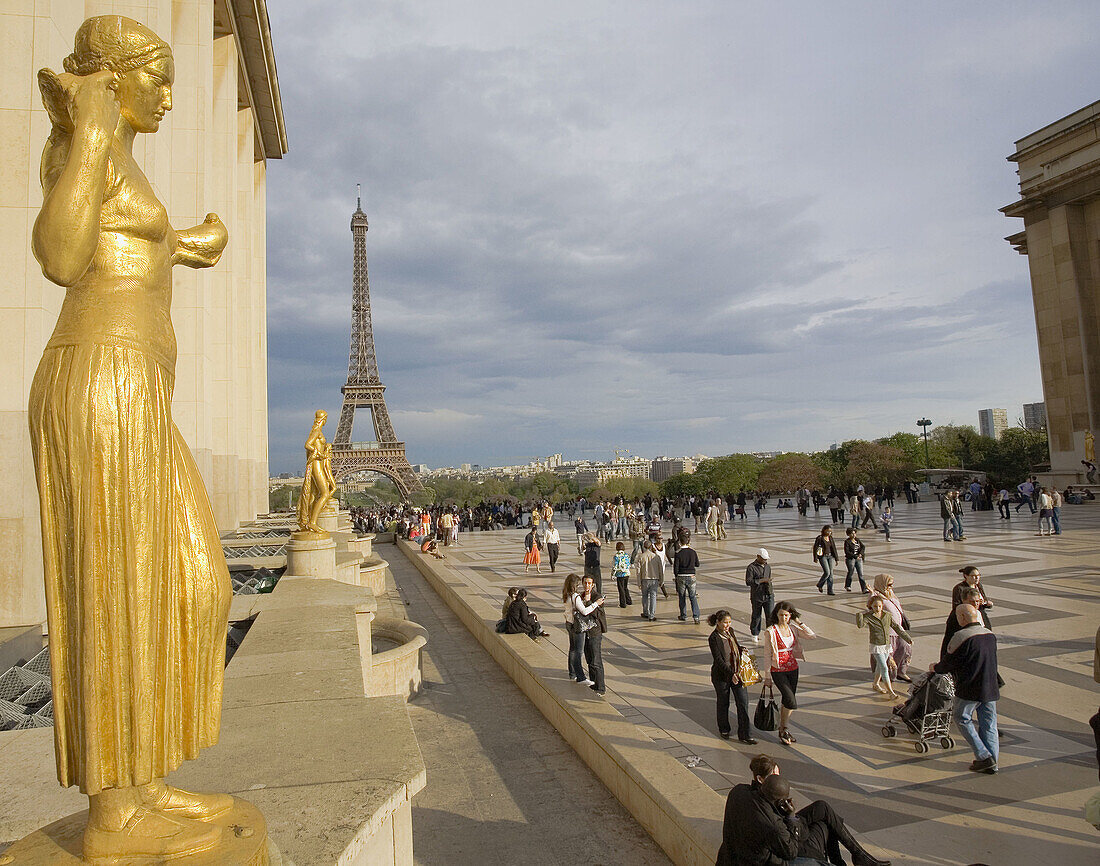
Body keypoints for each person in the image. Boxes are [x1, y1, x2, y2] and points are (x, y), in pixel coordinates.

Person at [29, 17, 237, 857]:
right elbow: (57, 249)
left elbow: (122, 244)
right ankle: (114, 814)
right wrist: (90, 123)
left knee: (193, 584)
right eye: (155, 78)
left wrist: (185, 244)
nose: (168, 96)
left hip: (137, 387)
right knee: (116, 586)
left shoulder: (119, 156)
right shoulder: (89, 142)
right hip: (101, 382)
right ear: (114, 79)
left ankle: (141, 774)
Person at [734, 756, 891, 866]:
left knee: (822, 808)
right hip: (784, 844)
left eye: (778, 773)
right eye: (774, 775)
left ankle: (858, 855)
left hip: (783, 834)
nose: (779, 778)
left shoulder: (743, 791)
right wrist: (792, 817)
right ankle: (843, 860)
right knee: (825, 826)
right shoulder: (769, 809)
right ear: (761, 779)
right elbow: (791, 846)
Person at [931, 604, 1000, 774]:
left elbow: (948, 663)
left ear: (962, 618)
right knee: (989, 723)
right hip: (990, 686)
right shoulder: (990, 635)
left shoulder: (961, 636)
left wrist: (935, 667)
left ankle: (983, 756)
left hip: (971, 688)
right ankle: (993, 761)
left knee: (961, 717)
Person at [764, 602, 817, 746]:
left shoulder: (793, 628)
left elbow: (811, 635)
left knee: (788, 701)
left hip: (793, 668)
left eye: (786, 615)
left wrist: (799, 621)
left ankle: (783, 729)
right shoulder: (771, 631)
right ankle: (783, 728)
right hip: (778, 669)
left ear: (790, 616)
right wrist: (767, 677)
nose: (783, 618)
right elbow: (767, 654)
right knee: (790, 700)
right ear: (776, 615)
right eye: (781, 615)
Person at [708, 610, 757, 744]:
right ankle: (724, 728)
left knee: (743, 702)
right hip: (722, 676)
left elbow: (734, 646)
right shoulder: (714, 638)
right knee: (723, 703)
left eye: (729, 622)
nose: (727, 625)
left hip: (737, 672)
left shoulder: (731, 632)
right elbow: (718, 660)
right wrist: (731, 674)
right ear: (718, 622)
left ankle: (745, 734)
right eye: (725, 622)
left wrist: (741, 649)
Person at [855, 596, 912, 699]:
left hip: (886, 646)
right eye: (875, 606)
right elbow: (860, 625)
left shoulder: (887, 616)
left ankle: (876, 684)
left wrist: (907, 638)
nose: (878, 608)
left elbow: (897, 628)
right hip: (876, 646)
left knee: (879, 668)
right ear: (871, 606)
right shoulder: (869, 616)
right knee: (884, 667)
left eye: (880, 606)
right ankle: (891, 693)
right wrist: (859, 615)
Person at [868, 574, 912, 682]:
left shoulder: (891, 594)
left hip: (899, 629)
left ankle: (901, 671)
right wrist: (871, 595)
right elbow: (871, 608)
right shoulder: (877, 596)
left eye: (891, 584)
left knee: (905, 648)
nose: (890, 587)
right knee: (889, 654)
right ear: (881, 584)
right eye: (888, 584)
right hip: (887, 631)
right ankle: (888, 675)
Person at [563, 573, 599, 686]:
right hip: (577, 626)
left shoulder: (566, 595)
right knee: (578, 652)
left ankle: (572, 672)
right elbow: (584, 611)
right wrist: (595, 604)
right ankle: (581, 676)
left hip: (569, 623)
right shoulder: (575, 596)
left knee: (572, 649)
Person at [576, 574, 607, 696]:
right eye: (585, 583)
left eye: (589, 583)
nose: (587, 585)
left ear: (593, 584)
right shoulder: (580, 596)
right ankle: (593, 683)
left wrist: (589, 601)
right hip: (585, 632)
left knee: (596, 660)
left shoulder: (597, 597)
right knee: (589, 659)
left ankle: (601, 687)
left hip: (595, 632)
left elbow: (594, 614)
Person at [746, 549, 776, 643]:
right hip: (757, 596)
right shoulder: (751, 567)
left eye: (766, 559)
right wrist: (762, 580)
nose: (765, 561)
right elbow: (748, 582)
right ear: (758, 557)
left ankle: (770, 633)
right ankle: (754, 633)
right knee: (756, 615)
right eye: (763, 559)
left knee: (770, 615)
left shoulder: (768, 567)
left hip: (768, 595)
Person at [674, 529, 701, 623]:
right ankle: (696, 616)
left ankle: (683, 615)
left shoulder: (678, 553)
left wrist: (676, 576)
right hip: (691, 576)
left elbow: (675, 568)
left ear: (680, 542)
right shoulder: (693, 552)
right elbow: (697, 564)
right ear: (688, 541)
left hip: (681, 576)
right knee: (692, 597)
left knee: (682, 597)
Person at [636, 541, 661, 621]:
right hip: (654, 578)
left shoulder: (641, 556)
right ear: (651, 546)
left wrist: (639, 582)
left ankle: (645, 612)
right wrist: (662, 580)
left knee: (644, 596)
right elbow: (660, 570)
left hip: (644, 579)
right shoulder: (656, 557)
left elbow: (638, 571)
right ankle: (652, 615)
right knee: (653, 597)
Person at [812, 527, 839, 595]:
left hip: (831, 557)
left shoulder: (831, 538)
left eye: (830, 531)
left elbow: (834, 548)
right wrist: (815, 558)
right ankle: (820, 584)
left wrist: (836, 559)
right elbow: (815, 548)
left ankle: (830, 590)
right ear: (824, 530)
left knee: (831, 574)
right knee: (827, 572)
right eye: (828, 531)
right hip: (823, 556)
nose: (829, 532)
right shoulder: (820, 538)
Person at [843, 528, 867, 593]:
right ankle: (848, 585)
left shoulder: (857, 540)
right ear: (848, 534)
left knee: (861, 574)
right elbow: (847, 552)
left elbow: (863, 547)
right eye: (852, 534)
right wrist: (855, 556)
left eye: (854, 533)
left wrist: (861, 554)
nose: (854, 535)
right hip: (850, 559)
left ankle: (864, 588)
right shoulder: (847, 542)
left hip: (859, 559)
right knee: (851, 572)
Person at [611, 542, 633, 607]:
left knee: (621, 589)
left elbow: (615, 566)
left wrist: (613, 574)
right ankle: (629, 601)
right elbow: (629, 564)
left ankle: (623, 603)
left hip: (620, 574)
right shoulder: (626, 555)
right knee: (625, 587)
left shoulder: (616, 556)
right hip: (627, 573)